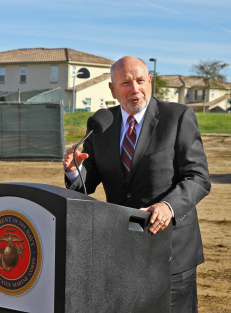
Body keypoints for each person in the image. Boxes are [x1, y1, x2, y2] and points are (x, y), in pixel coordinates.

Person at [63, 56, 211, 313]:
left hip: (172, 250)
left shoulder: (177, 117)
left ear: (150, 81)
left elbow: (198, 177)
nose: (135, 89)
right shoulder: (101, 123)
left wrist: (168, 206)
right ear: (112, 89)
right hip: (122, 247)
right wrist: (76, 171)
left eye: (141, 81)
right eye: (126, 83)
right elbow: (89, 183)